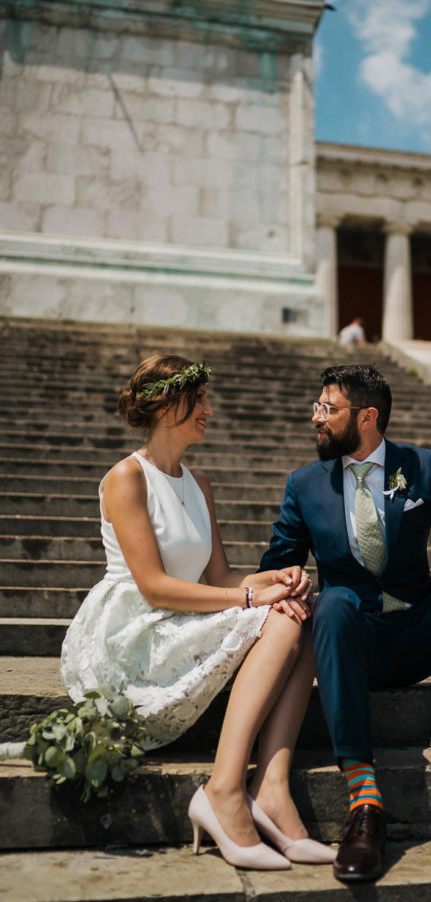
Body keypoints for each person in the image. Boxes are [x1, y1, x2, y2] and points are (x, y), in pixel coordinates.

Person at [260, 364, 431, 882]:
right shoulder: (304, 485)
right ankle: (365, 802)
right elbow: (273, 566)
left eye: (328, 409)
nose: (315, 418)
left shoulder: (422, 467)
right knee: (336, 599)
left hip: (420, 630)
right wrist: (286, 580)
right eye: (317, 407)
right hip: (353, 645)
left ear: (367, 417)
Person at [60, 354, 335, 870]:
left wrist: (277, 580)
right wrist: (252, 598)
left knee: (303, 607)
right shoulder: (126, 477)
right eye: (200, 398)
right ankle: (224, 788)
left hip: (182, 616)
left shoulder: (198, 482)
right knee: (276, 618)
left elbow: (222, 579)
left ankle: (271, 787)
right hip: (134, 634)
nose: (209, 408)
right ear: (168, 404)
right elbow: (156, 587)